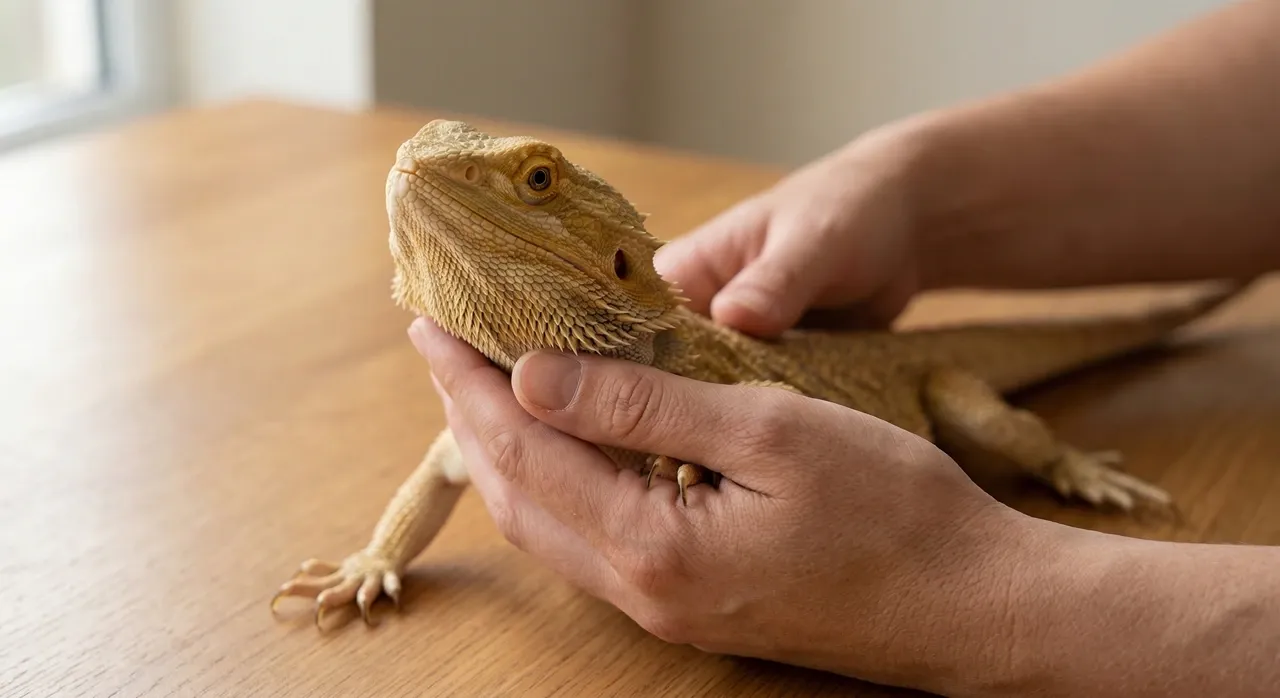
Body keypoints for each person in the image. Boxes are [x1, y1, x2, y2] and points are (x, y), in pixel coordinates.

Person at [410, 1, 1280, 695]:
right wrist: (905, 186)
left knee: (996, 425)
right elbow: (444, 468)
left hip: (922, 388)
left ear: (614, 255)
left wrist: (995, 597)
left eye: (532, 183)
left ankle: (1062, 463)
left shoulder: (683, 370)